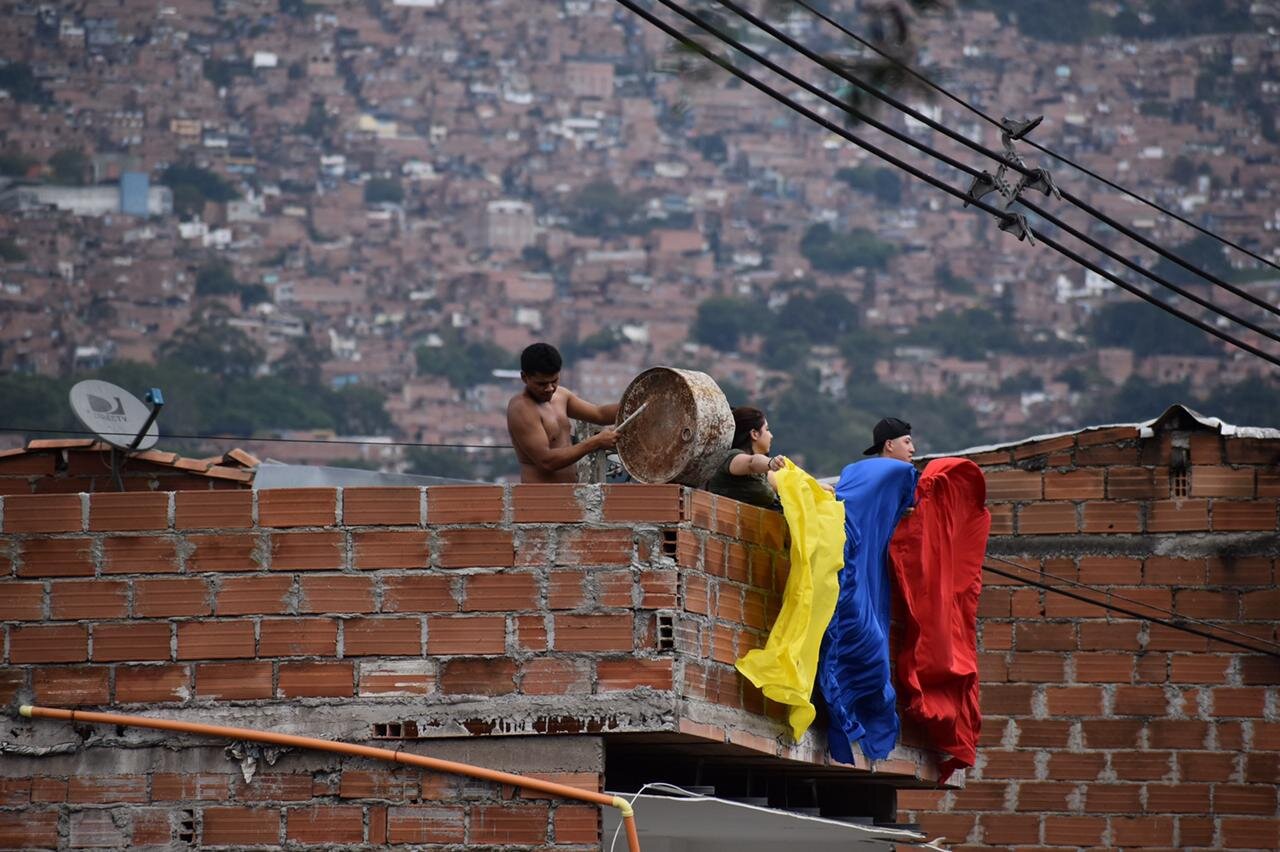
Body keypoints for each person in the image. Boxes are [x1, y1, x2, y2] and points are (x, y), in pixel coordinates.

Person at [506, 342, 619, 484]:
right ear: (524, 378)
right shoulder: (521, 409)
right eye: (541, 384)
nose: (549, 388)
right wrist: (595, 442)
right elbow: (547, 461)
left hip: (570, 495)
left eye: (554, 381)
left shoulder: (561, 395)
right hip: (539, 499)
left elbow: (599, 414)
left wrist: (635, 404)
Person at [704, 406, 789, 510]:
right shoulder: (732, 457)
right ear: (754, 434)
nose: (771, 435)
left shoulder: (762, 473)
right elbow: (751, 463)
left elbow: (783, 482)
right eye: (767, 429)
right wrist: (771, 463)